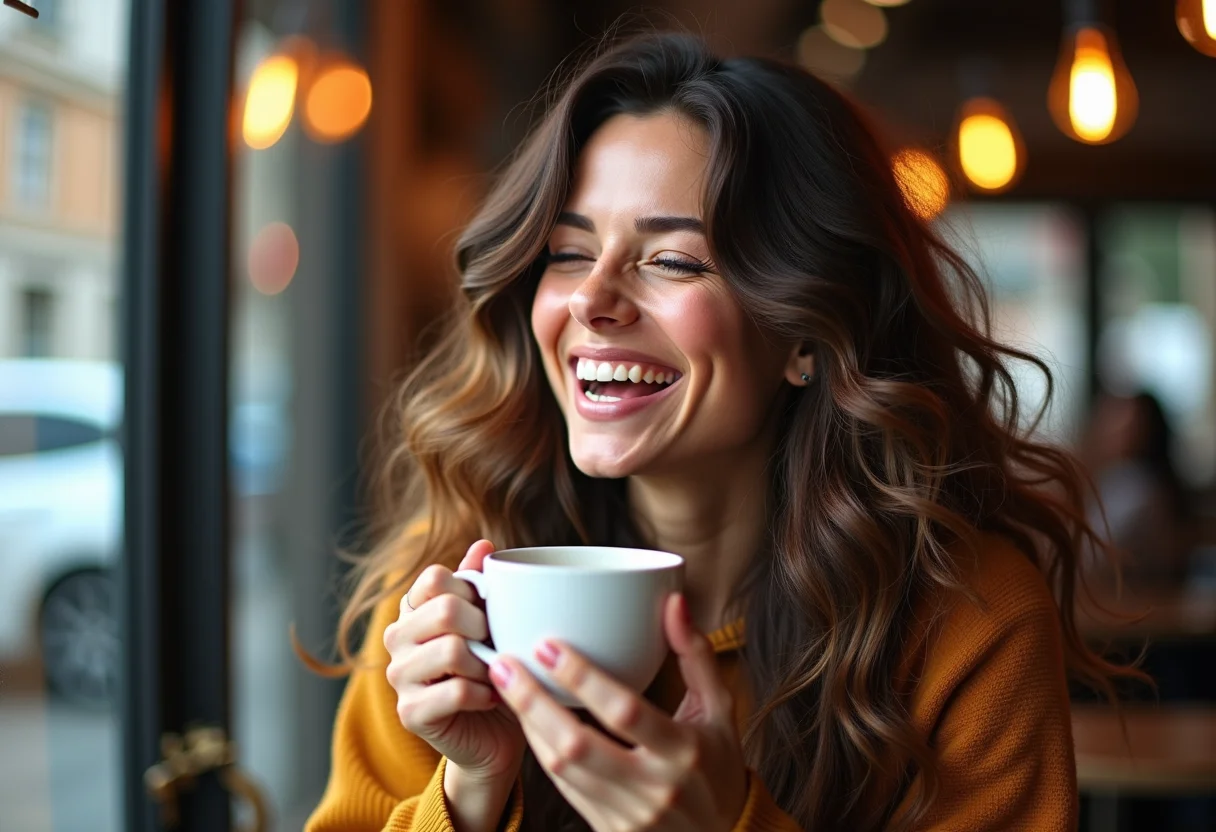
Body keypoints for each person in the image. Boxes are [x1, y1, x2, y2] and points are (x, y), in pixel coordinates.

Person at [303, 31, 1136, 832]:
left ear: (807, 334)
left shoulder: (965, 619)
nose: (593, 300)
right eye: (565, 252)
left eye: (672, 261)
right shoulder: (458, 589)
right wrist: (470, 793)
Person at [1082, 390, 1192, 590]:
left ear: (1143, 430)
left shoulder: (1138, 489)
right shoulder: (1121, 480)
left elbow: (1096, 559)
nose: (1106, 426)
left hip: (1132, 604)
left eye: (1118, 419)